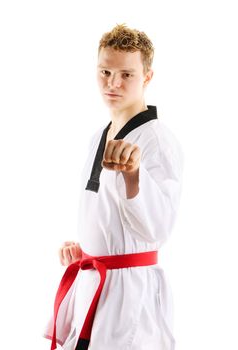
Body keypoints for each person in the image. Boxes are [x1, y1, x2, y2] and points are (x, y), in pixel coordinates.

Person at [44, 24, 184, 350]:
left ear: (147, 77)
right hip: (95, 283)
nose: (113, 83)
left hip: (129, 295)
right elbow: (109, 215)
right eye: (105, 71)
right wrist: (88, 247)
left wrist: (135, 176)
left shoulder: (157, 141)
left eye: (126, 74)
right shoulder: (100, 135)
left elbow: (158, 227)